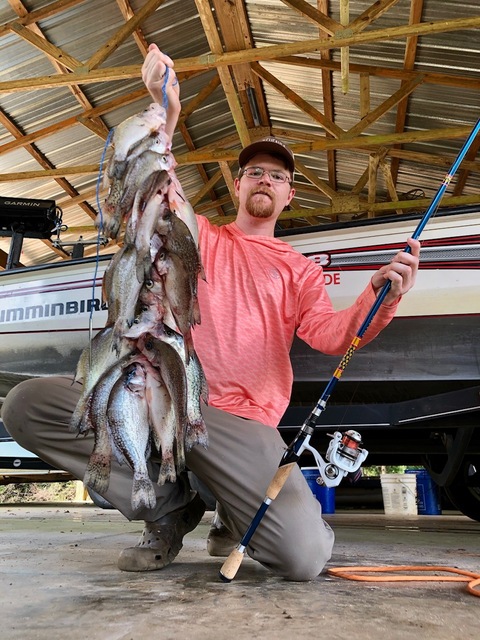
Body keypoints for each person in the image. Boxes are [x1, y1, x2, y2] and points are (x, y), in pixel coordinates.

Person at [1, 44, 420, 581]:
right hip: (167, 404)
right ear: (238, 184)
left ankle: (231, 507)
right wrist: (165, 116)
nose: (265, 179)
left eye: (277, 176)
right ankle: (169, 508)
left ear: (289, 194)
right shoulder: (199, 235)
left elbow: (334, 335)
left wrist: (379, 298)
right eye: (255, 172)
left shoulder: (300, 271)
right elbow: (158, 188)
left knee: (303, 558)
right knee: (26, 404)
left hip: (239, 426)